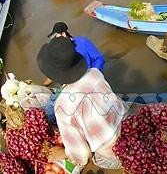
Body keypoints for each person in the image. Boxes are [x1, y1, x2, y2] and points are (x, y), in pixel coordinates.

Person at [37, 37, 125, 169]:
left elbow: (83, 156)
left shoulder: (62, 106)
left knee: (96, 159)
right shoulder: (95, 74)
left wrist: (63, 153)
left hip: (114, 154)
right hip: (126, 126)